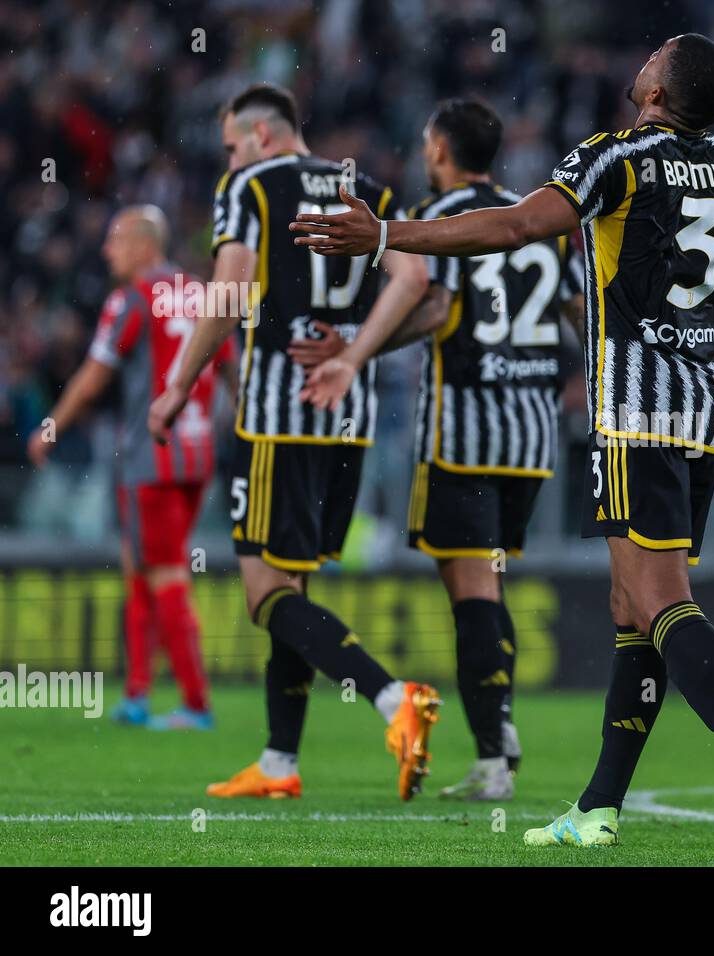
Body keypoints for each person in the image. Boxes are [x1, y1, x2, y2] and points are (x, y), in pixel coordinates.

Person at [289, 34, 714, 857]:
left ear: (660, 88)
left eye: (656, 54)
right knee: (630, 608)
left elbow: (515, 225)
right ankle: (599, 806)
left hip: (637, 407)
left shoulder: (619, 156)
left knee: (657, 599)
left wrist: (388, 237)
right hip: (705, 406)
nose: (642, 58)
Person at [147, 83, 438, 801]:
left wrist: (181, 382)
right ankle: (280, 762)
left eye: (229, 144)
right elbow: (421, 282)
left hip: (278, 412)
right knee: (295, 581)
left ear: (260, 137)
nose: (228, 156)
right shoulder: (365, 187)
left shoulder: (249, 184)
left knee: (263, 591)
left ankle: (391, 698)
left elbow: (231, 289)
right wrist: (354, 352)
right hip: (349, 413)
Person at [289, 99, 585, 801]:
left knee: (471, 591)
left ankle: (493, 751)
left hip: (465, 433)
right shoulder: (542, 218)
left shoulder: (442, 218)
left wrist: (356, 351)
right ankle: (498, 726)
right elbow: (578, 310)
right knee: (491, 581)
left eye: (428, 142)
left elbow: (435, 306)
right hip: (533, 430)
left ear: (443, 150)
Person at [28, 205, 233, 731]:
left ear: (145, 246)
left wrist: (51, 427)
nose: (106, 250)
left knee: (162, 573)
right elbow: (233, 367)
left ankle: (195, 703)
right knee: (138, 567)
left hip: (151, 455)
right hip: (196, 454)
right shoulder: (203, 291)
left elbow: (95, 376)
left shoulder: (133, 298)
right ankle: (138, 693)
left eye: (116, 240)